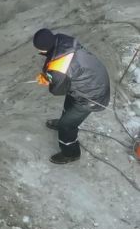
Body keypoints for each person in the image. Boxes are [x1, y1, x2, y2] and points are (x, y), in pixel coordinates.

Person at [34, 28, 110, 164]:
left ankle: (71, 153)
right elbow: (56, 64)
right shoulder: (62, 40)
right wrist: (48, 74)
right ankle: (64, 120)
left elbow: (58, 90)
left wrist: (49, 79)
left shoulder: (58, 69)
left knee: (67, 126)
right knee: (70, 103)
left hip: (92, 95)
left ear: (44, 49)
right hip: (91, 79)